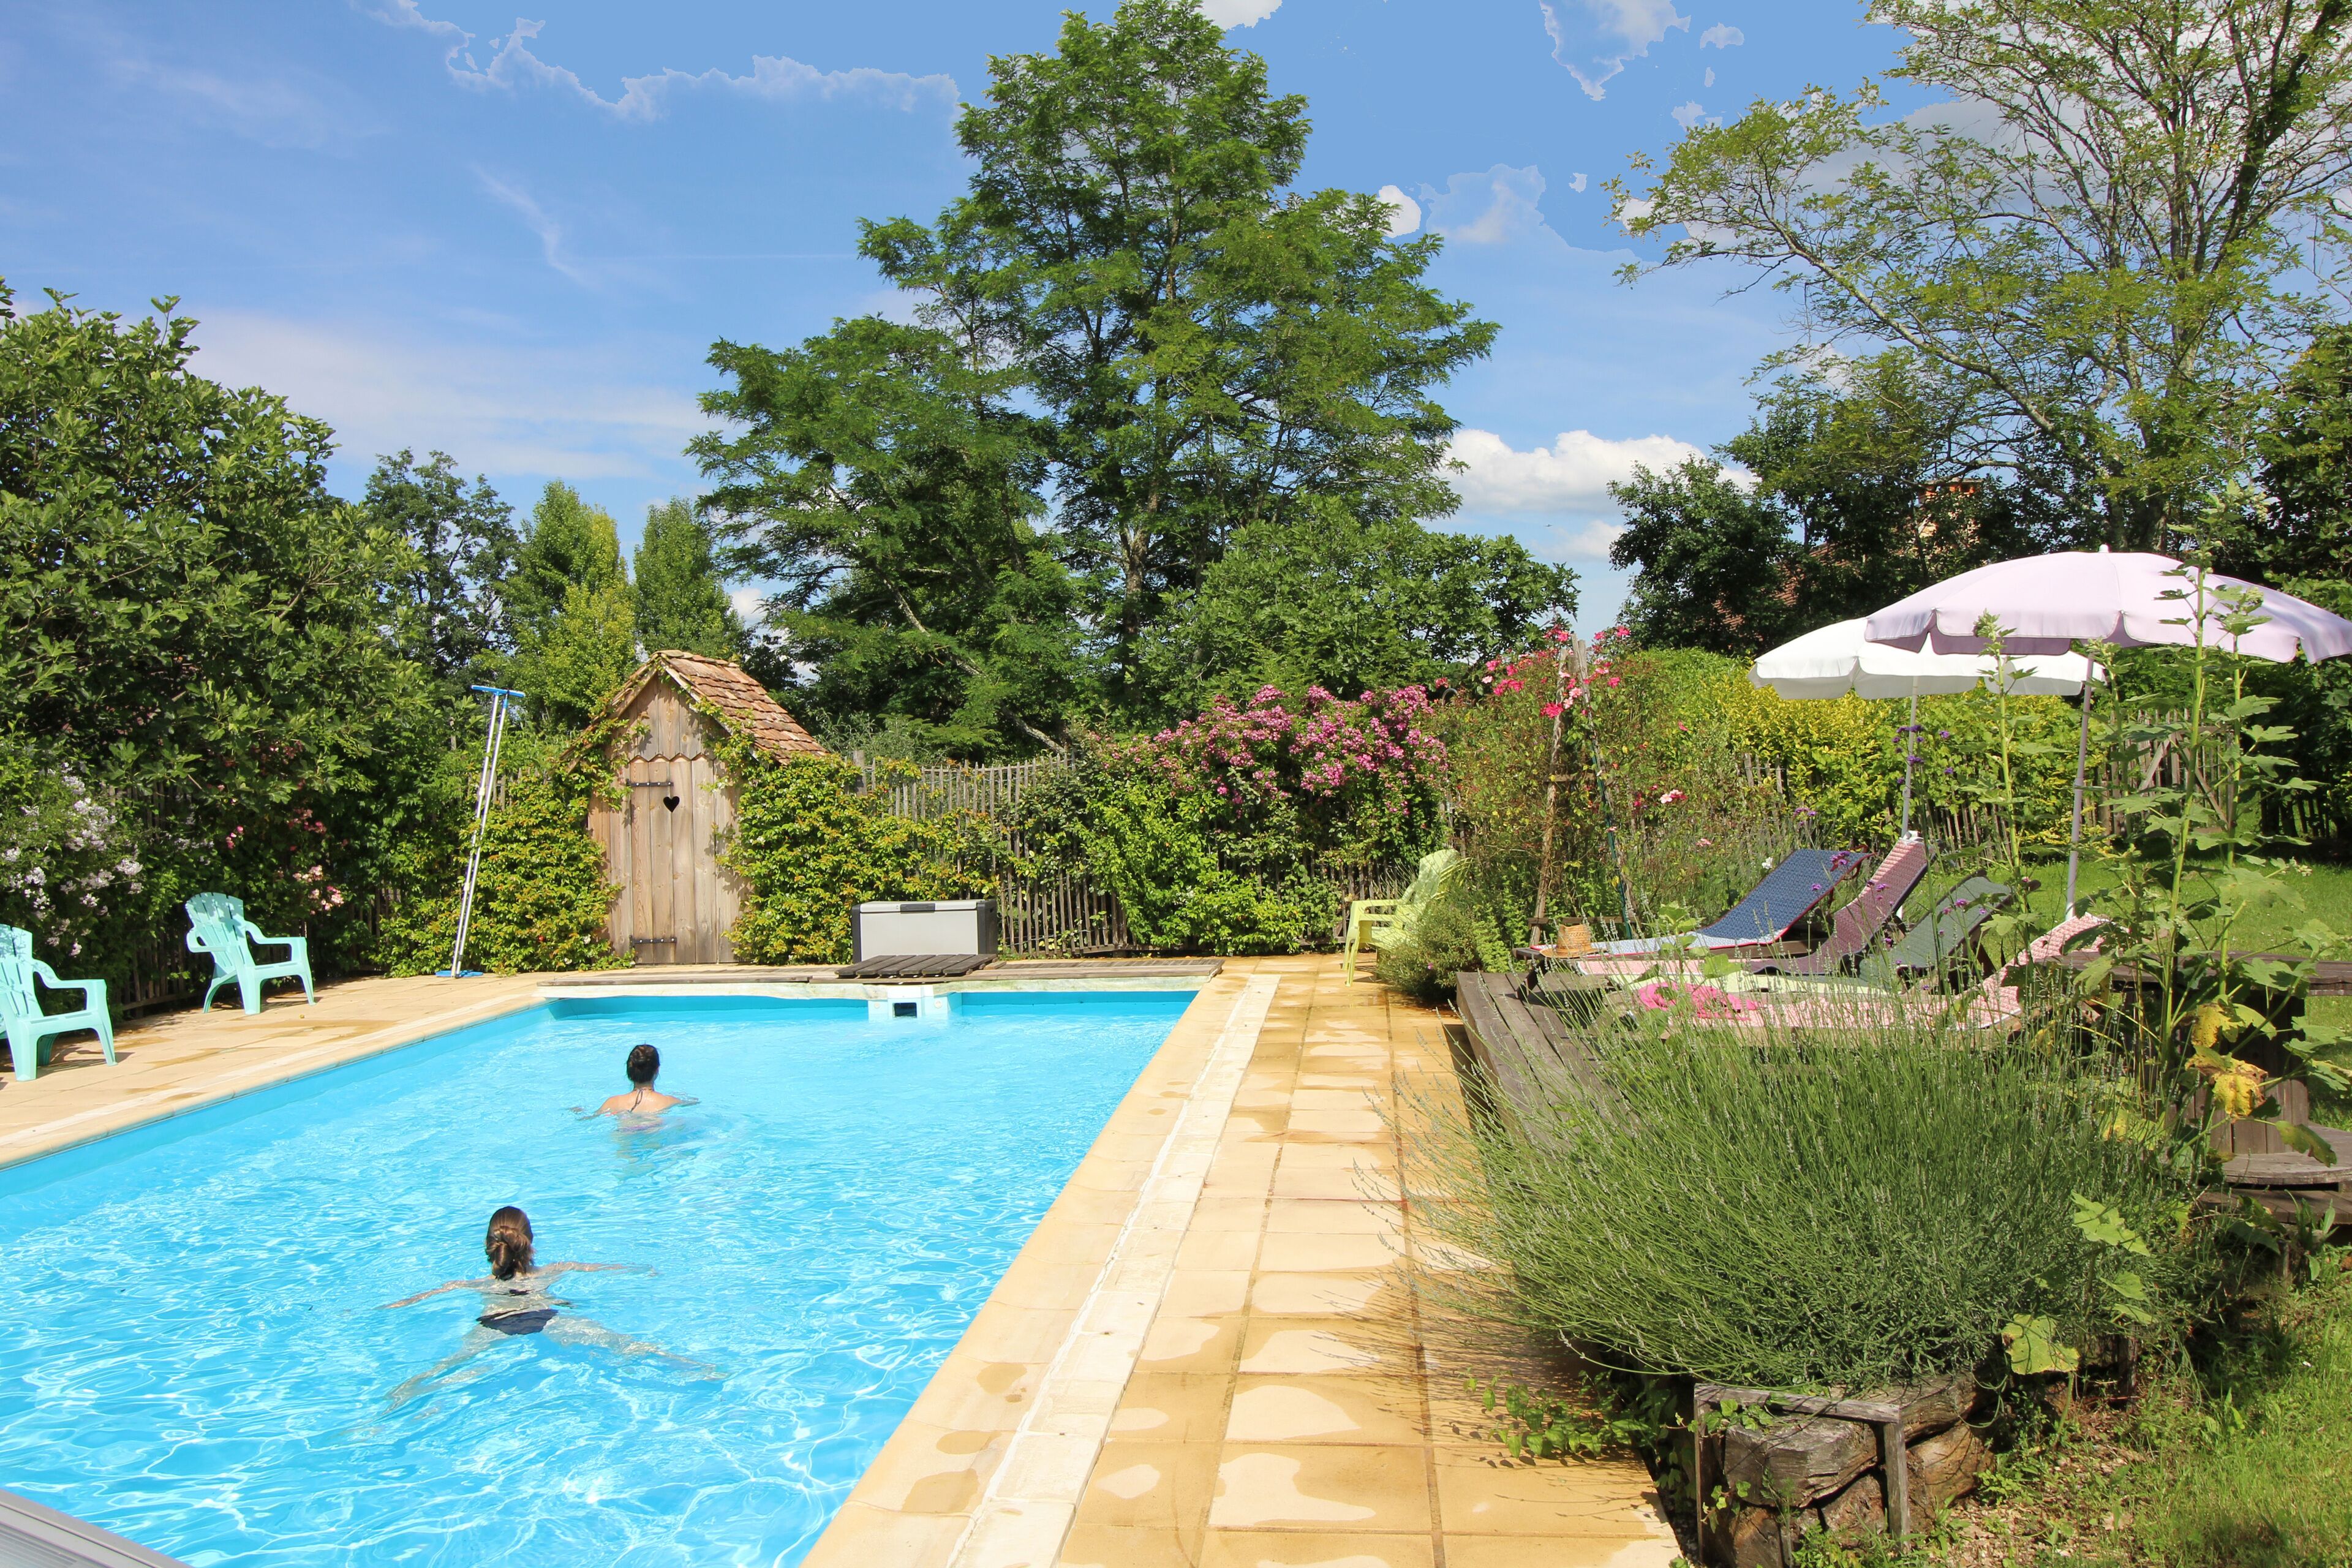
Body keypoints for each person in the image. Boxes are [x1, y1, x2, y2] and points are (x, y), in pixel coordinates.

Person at [381, 1206, 711, 1403]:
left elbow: (422, 1297)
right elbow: (600, 1267)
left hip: (495, 1323)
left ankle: (396, 1402)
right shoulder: (553, 1271)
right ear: (531, 1240)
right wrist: (643, 1268)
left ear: (489, 1246)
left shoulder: (475, 1285)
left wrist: (386, 1308)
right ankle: (689, 1366)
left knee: (444, 1368)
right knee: (619, 1342)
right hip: (545, 1317)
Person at [596, 1044, 684, 1118]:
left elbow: (588, 1118)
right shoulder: (668, 1101)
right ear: (657, 1070)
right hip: (653, 1132)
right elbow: (693, 1102)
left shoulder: (613, 1103)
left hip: (624, 1134)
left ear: (628, 1071)